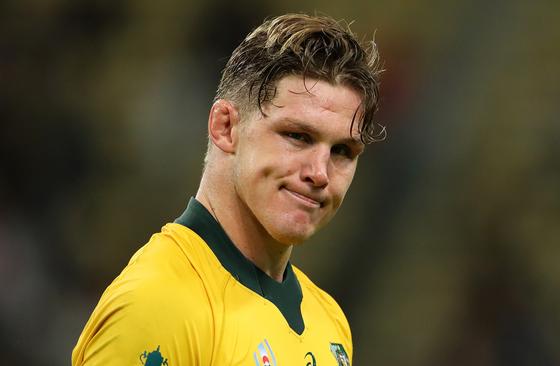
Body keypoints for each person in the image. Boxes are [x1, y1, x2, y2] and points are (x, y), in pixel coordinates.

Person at [72, 13, 384, 366]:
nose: (319, 173)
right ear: (225, 127)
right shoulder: (159, 305)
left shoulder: (329, 322)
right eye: (298, 136)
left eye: (342, 151)